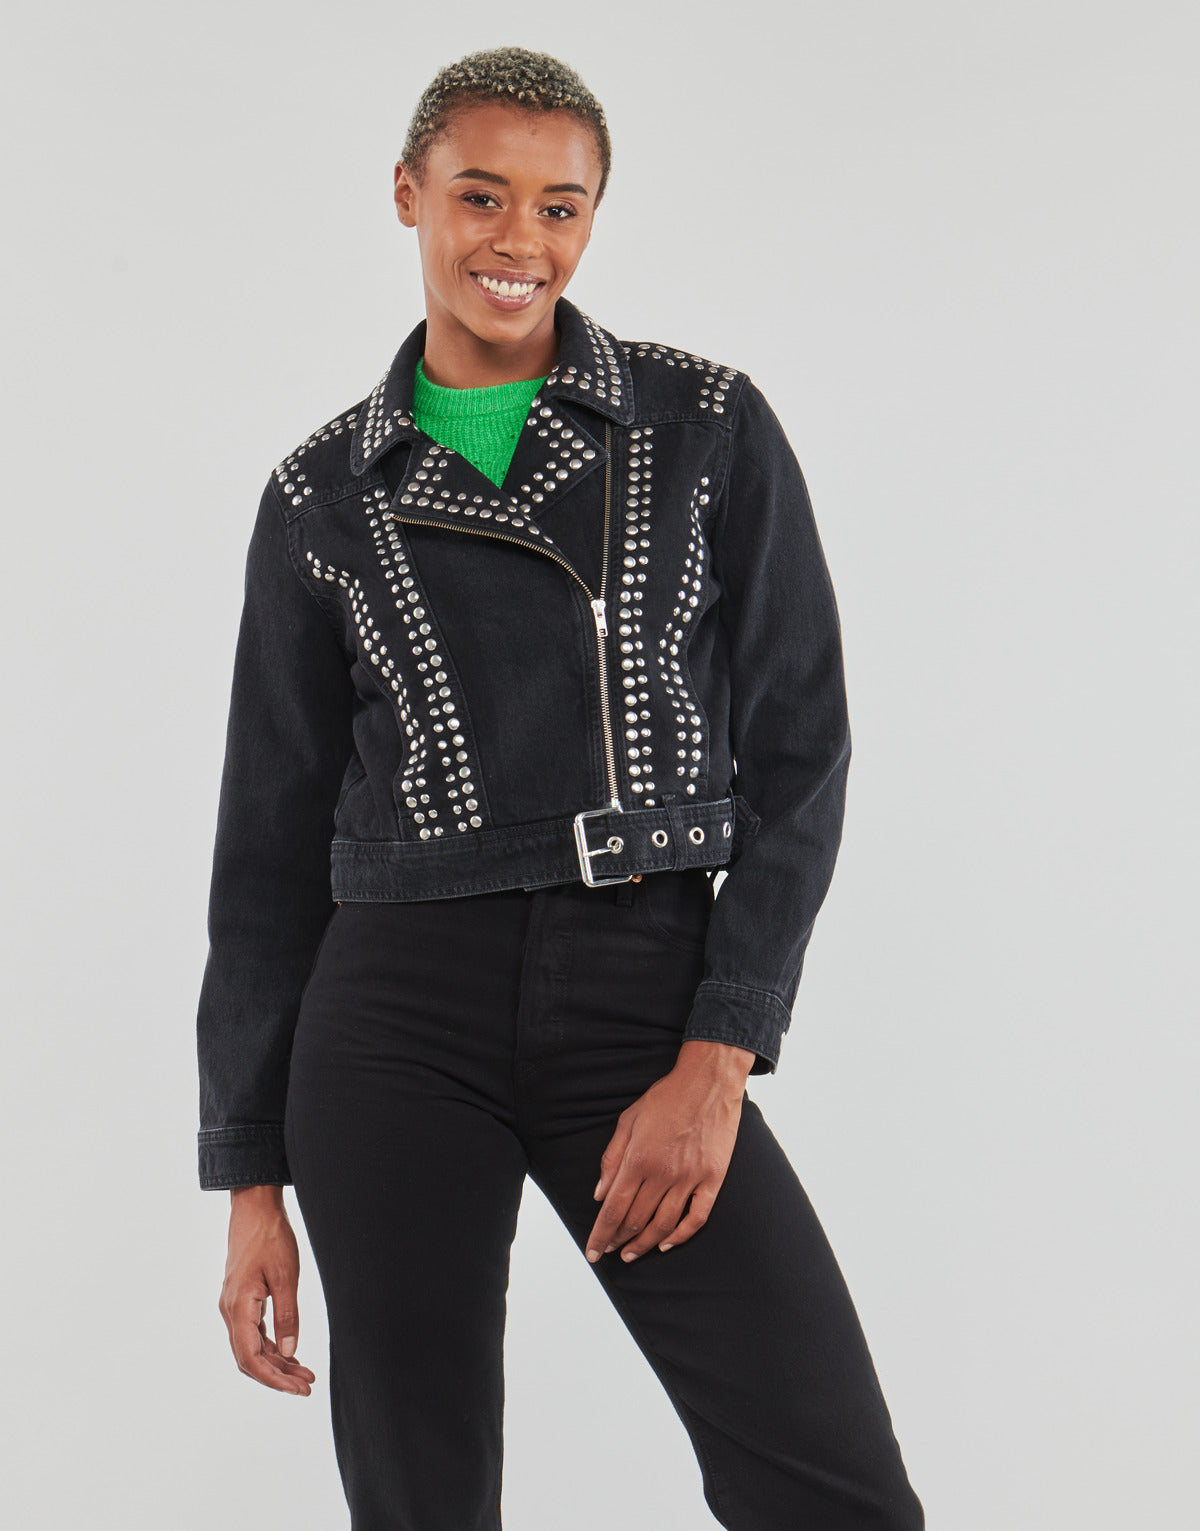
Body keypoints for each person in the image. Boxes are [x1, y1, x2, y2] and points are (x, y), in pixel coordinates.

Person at [195, 44, 925, 1531]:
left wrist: (719, 1055)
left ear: (594, 218)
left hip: (644, 995)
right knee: (422, 1498)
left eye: (560, 205)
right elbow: (266, 849)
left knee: (832, 1485)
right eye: (479, 195)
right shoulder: (319, 495)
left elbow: (803, 756)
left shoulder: (704, 426)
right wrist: (249, 1177)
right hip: (395, 1015)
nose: (517, 239)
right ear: (409, 195)